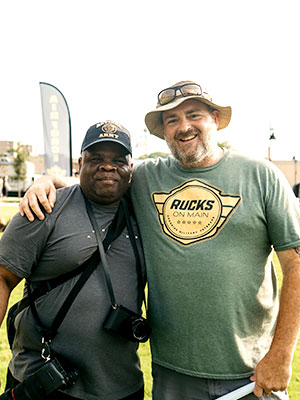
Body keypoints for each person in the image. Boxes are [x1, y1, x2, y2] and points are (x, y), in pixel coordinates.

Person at [19, 81, 300, 400]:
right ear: (163, 132)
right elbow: (95, 179)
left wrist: (282, 354)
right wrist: (44, 180)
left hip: (250, 374)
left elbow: (296, 264)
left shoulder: (261, 176)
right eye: (171, 120)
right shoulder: (146, 178)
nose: (184, 127)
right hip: (172, 374)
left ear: (214, 119)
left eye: (193, 115)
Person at [0, 121, 146, 400]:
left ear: (131, 169)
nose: (107, 166)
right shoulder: (45, 207)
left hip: (124, 386)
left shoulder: (146, 213)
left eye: (118, 159)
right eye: (96, 158)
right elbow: (3, 277)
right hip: (45, 381)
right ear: (80, 163)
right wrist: (45, 180)